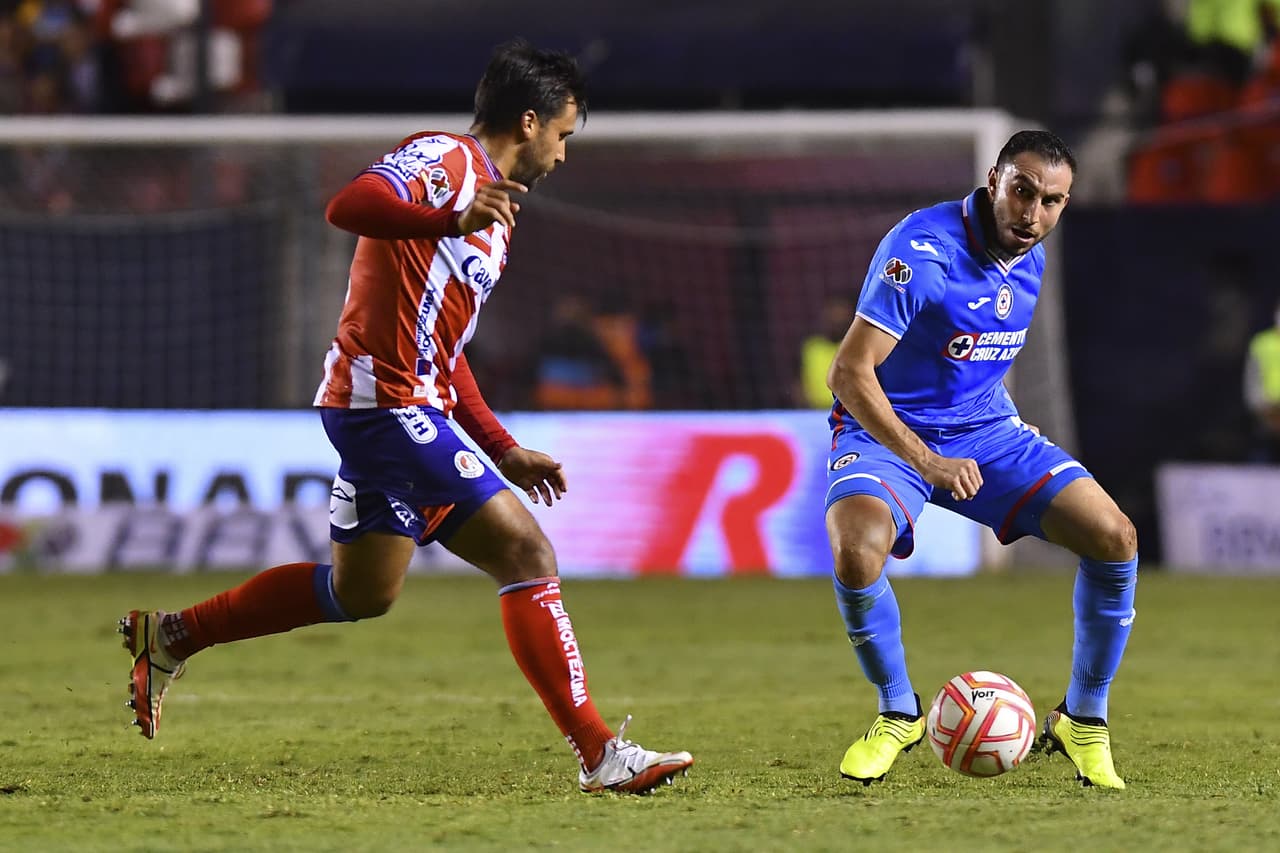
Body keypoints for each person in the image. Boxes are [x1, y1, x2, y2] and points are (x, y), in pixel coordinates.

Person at [117, 38, 693, 796]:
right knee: (526, 552)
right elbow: (346, 205)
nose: (563, 154)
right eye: (564, 134)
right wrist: (450, 215)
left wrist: (501, 446)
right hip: (382, 405)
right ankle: (599, 753)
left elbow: (444, 348)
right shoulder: (446, 162)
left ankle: (173, 634)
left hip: (404, 405)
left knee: (364, 592)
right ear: (528, 121)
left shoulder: (496, 214)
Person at [824, 130, 1137, 790]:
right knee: (857, 549)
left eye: (1053, 201)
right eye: (1022, 191)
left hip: (987, 433)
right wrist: (927, 460)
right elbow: (849, 372)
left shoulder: (1030, 255)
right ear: (993, 179)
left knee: (1115, 537)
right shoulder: (922, 249)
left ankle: (1084, 718)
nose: (1034, 213)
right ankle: (898, 710)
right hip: (885, 432)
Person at [797, 295, 852, 409]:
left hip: (848, 412)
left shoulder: (856, 347)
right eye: (833, 315)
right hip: (814, 412)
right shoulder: (811, 346)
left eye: (840, 316)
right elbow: (797, 384)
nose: (836, 320)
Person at [1243, 301, 1280, 461]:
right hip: (1268, 410)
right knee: (1263, 451)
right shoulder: (1262, 343)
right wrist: (1259, 406)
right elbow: (1252, 378)